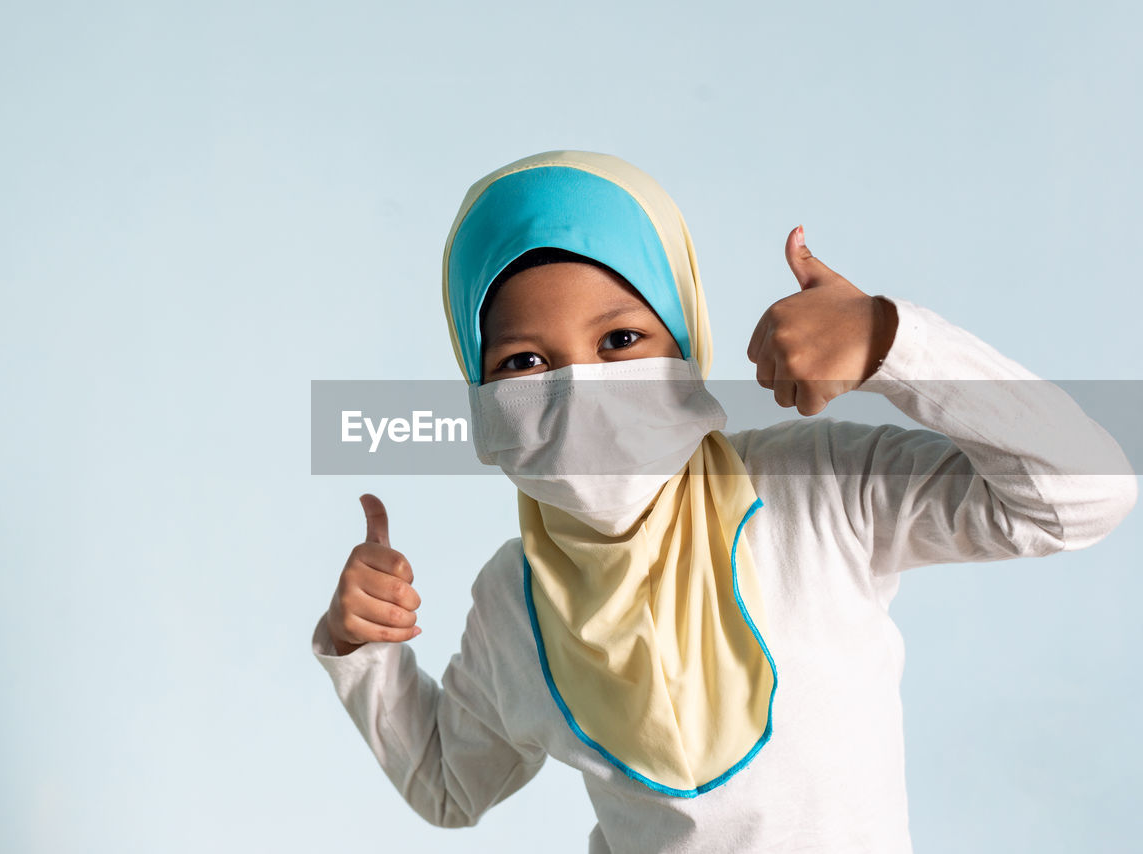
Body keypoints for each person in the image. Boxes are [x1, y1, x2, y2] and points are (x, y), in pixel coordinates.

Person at [310, 150, 1136, 853]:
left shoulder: (813, 494)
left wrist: (892, 342)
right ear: (476, 388)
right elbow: (450, 785)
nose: (582, 392)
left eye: (622, 341)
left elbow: (1082, 492)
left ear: (686, 336)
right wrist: (363, 648)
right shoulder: (512, 604)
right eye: (525, 363)